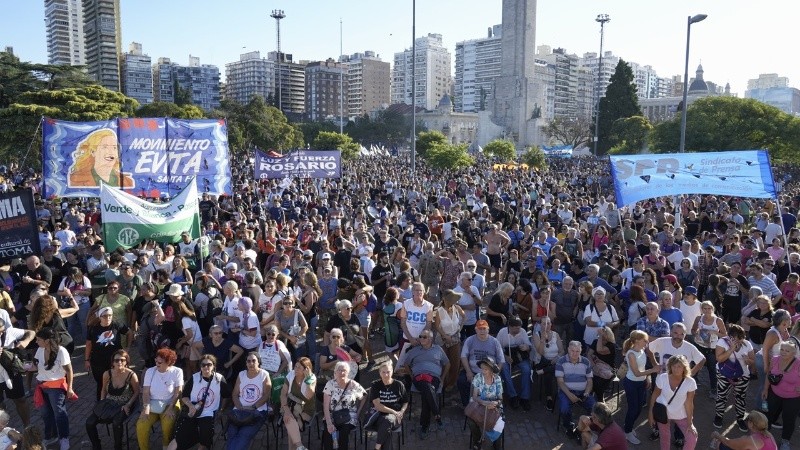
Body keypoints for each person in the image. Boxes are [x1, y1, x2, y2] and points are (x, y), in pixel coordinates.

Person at [168, 354, 230, 450]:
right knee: (178, 438)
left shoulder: (219, 379)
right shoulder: (194, 378)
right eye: (203, 365)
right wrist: (190, 406)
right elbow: (184, 396)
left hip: (208, 413)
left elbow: (226, 395)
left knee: (205, 439)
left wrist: (221, 409)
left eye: (209, 364)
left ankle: (201, 443)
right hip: (192, 411)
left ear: (213, 366)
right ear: (200, 366)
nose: (206, 367)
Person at [397, 329, 448, 438]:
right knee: (426, 387)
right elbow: (406, 364)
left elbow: (447, 364)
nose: (421, 338)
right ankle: (436, 416)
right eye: (420, 336)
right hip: (419, 378)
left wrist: (442, 378)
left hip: (434, 378)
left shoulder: (438, 349)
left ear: (430, 339)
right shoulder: (415, 350)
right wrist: (411, 376)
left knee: (426, 393)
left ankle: (425, 425)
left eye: (424, 337)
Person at [85, 349, 139, 450]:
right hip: (109, 403)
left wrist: (128, 404)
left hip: (124, 405)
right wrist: (101, 402)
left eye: (122, 360)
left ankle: (118, 447)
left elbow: (136, 392)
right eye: (116, 360)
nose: (119, 362)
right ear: (112, 362)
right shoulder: (107, 374)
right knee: (89, 422)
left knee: (117, 423)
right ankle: (96, 446)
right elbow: (103, 390)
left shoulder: (131, 375)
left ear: (126, 361)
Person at [33, 327, 74, 450]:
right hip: (42, 385)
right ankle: (51, 436)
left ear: (47, 341)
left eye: (39, 339)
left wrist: (70, 387)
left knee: (59, 414)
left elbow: (69, 370)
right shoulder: (40, 350)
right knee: (46, 414)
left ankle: (64, 438)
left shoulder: (62, 351)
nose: (36, 342)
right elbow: (38, 367)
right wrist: (28, 367)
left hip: (56, 387)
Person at [136, 348, 184, 450]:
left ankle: (166, 446)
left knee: (167, 424)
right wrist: (146, 407)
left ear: (169, 363)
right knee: (141, 425)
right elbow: (145, 392)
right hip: (152, 404)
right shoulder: (150, 371)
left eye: (160, 362)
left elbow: (178, 392)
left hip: (170, 403)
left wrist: (171, 407)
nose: (157, 363)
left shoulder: (177, 372)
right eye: (156, 361)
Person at [648, 355, 698, 450]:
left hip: (681, 414)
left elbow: (689, 403)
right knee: (665, 438)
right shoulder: (662, 377)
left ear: (684, 367)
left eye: (679, 366)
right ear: (670, 367)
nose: (676, 369)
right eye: (673, 366)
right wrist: (650, 412)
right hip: (662, 413)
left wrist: (690, 423)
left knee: (692, 438)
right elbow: (654, 395)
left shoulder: (690, 382)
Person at [621, 330, 661, 444]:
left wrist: (647, 378)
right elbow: (636, 373)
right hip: (631, 384)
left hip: (641, 383)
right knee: (633, 409)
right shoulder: (631, 354)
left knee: (638, 408)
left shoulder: (642, 350)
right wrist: (653, 370)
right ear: (637, 341)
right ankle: (627, 432)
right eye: (645, 340)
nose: (647, 342)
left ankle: (628, 426)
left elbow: (642, 369)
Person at [714, 324, 755, 432]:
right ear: (729, 336)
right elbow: (719, 359)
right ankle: (719, 416)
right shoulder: (722, 342)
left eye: (740, 338)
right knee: (722, 395)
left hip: (742, 375)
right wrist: (731, 349)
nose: (738, 340)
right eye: (735, 338)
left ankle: (740, 419)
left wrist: (748, 361)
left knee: (740, 397)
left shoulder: (747, 344)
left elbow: (752, 361)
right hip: (724, 374)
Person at [85, 306, 129, 400]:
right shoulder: (93, 328)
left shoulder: (117, 324)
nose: (108, 318)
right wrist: (86, 359)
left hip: (115, 361)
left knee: (116, 381)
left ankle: (116, 400)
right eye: (105, 316)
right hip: (98, 361)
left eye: (110, 315)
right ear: (100, 317)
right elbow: (88, 344)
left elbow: (129, 332)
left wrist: (127, 348)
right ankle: (101, 403)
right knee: (101, 383)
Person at [762, 340, 800, 450]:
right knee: (769, 415)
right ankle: (764, 435)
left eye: (787, 350)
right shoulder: (775, 359)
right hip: (774, 393)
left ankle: (785, 441)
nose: (783, 352)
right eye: (782, 349)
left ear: (793, 353)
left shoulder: (798, 364)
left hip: (793, 397)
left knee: (789, 419)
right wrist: (765, 389)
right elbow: (769, 374)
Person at [458, 319, 505, 407]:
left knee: (498, 383)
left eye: (484, 329)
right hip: (473, 371)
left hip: (489, 372)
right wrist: (468, 371)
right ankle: (467, 406)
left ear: (488, 329)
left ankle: (491, 406)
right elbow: (463, 356)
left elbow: (501, 360)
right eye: (480, 329)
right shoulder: (469, 340)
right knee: (461, 381)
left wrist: (495, 373)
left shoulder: (495, 342)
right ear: (476, 330)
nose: (482, 331)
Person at [322, 361, 367, 450]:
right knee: (328, 433)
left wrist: (358, 412)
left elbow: (364, 396)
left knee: (344, 432)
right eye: (339, 370)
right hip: (333, 414)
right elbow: (326, 406)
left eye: (344, 370)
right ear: (335, 372)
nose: (342, 372)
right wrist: (329, 423)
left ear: (348, 372)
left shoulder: (353, 384)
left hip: (349, 415)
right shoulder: (330, 384)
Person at [556, 340, 597, 436]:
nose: (574, 353)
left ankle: (586, 427)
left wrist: (586, 392)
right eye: (572, 351)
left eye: (577, 351)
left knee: (595, 408)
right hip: (566, 391)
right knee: (564, 408)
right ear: (568, 350)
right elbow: (560, 382)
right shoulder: (561, 361)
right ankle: (568, 426)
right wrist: (569, 395)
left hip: (583, 391)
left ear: (581, 350)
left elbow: (590, 381)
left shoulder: (586, 362)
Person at [366, 361, 408, 449]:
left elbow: (405, 401)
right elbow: (377, 406)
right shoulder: (375, 385)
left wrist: (401, 411)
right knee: (386, 424)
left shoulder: (399, 385)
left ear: (392, 371)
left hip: (395, 417)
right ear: (379, 373)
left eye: (388, 372)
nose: (386, 375)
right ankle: (377, 447)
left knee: (387, 421)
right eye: (383, 372)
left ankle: (377, 447)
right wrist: (394, 412)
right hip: (378, 415)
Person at [691, 300, 727, 398]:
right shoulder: (699, 318)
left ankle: (714, 390)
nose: (707, 310)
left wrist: (714, 332)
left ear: (712, 309)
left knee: (712, 369)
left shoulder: (718, 320)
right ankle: (692, 385)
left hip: (712, 348)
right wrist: (697, 334)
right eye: (705, 308)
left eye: (709, 308)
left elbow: (724, 334)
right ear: (701, 309)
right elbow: (693, 330)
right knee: (695, 365)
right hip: (699, 346)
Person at [466, 356, 504, 450]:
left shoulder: (497, 379)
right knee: (471, 422)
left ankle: (496, 445)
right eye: (482, 368)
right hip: (479, 405)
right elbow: (474, 397)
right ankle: (478, 441)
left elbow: (500, 398)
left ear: (491, 370)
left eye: (486, 369)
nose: (483, 371)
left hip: (494, 407)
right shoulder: (478, 377)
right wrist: (483, 402)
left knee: (498, 423)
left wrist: (495, 403)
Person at [279, 357, 317, 450]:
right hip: (290, 406)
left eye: (299, 367)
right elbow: (283, 395)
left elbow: (309, 395)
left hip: (306, 410)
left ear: (306, 369)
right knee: (290, 419)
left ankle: (297, 447)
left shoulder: (311, 378)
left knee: (291, 423)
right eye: (295, 366)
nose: (296, 369)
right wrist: (287, 410)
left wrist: (307, 380)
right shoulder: (291, 375)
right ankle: (300, 446)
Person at [497, 316, 532, 410]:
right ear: (510, 327)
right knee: (504, 369)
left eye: (519, 327)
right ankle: (513, 396)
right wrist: (505, 357)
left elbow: (529, 345)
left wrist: (527, 347)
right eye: (516, 328)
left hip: (519, 356)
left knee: (527, 370)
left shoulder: (523, 331)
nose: (519, 329)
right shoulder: (502, 332)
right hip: (506, 355)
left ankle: (525, 397)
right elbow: (497, 349)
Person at [434, 289, 464, 391]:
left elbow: (464, 317)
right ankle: (443, 381)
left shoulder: (457, 308)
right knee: (444, 362)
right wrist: (445, 336)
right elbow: (437, 326)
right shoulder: (439, 311)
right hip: (442, 339)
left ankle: (452, 382)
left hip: (455, 338)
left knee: (455, 362)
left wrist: (460, 328)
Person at [532, 316, 564, 412]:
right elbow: (540, 352)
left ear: (551, 324)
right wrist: (542, 339)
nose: (547, 325)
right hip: (542, 361)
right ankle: (549, 397)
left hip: (555, 361)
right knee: (549, 370)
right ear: (540, 325)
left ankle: (549, 396)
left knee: (550, 369)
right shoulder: (536, 335)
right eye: (544, 323)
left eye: (548, 323)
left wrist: (556, 358)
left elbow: (562, 351)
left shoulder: (556, 335)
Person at [710, 411, 777, 450]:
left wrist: (717, 435)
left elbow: (728, 443)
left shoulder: (751, 440)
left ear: (751, 424)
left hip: (746, 442)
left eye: (748, 420)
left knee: (720, 443)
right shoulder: (769, 434)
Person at [276, 295, 308, 361]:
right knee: (285, 359)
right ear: (282, 305)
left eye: (290, 303)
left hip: (296, 338)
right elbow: (278, 329)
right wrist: (290, 338)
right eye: (285, 303)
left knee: (298, 358)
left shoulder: (297, 312)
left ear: (293, 304)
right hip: (284, 338)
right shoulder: (278, 314)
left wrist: (297, 337)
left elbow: (305, 326)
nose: (288, 305)